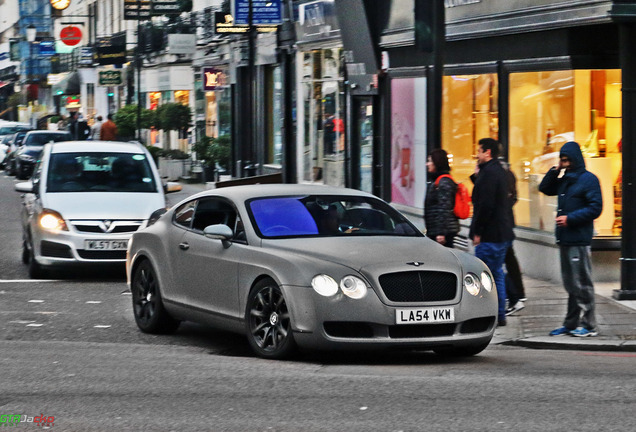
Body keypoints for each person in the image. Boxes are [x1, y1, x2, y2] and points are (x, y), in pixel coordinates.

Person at [539, 141, 602, 337]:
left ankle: (589, 325)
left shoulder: (588, 179)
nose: (564, 163)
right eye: (562, 160)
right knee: (571, 284)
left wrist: (570, 219)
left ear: (575, 159)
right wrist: (555, 169)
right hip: (565, 239)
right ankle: (571, 323)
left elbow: (596, 208)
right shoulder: (565, 179)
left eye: (567, 160)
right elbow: (545, 188)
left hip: (579, 239)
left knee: (582, 283)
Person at [469, 138, 515, 327]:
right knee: (496, 274)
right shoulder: (500, 171)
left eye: (479, 151)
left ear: (487, 152)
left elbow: (484, 205)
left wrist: (477, 231)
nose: (477, 155)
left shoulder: (489, 173)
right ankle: (499, 313)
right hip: (502, 232)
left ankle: (487, 314)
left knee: (484, 275)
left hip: (490, 234)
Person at [501, 160, 527, 316]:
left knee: (501, 263)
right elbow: (514, 198)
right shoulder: (508, 174)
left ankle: (515, 296)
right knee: (509, 259)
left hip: (503, 224)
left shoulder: (502, 176)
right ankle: (518, 293)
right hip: (507, 223)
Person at [424, 148, 459, 248]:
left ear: (437, 162)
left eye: (430, 161)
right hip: (436, 230)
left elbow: (444, 208)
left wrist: (441, 233)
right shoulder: (435, 180)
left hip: (442, 232)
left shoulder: (444, 181)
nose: (427, 164)